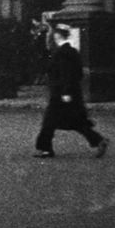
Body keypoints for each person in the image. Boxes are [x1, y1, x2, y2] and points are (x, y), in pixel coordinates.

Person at [34, 23, 109, 159]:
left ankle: (45, 149)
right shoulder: (71, 51)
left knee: (49, 122)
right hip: (68, 93)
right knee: (75, 122)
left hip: (61, 94)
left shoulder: (62, 53)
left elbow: (65, 74)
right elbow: (78, 74)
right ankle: (98, 140)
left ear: (57, 36)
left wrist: (65, 92)